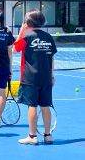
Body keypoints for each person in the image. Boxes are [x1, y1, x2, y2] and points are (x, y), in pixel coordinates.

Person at [13, 9, 57, 145]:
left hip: (30, 78)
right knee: (45, 106)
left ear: (28, 22)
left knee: (32, 106)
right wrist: (52, 76)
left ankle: (32, 136)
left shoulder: (27, 36)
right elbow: (52, 58)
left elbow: (14, 50)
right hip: (46, 78)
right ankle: (48, 135)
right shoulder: (49, 37)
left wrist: (21, 32)